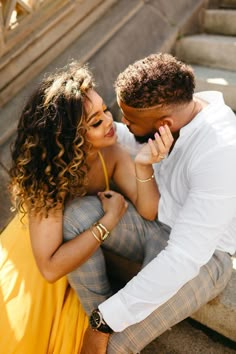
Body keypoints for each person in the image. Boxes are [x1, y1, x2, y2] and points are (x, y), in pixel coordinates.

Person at [62, 53, 236, 354]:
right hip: (154, 223)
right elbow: (130, 139)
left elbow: (183, 257)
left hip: (205, 257)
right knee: (76, 217)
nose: (121, 123)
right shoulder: (173, 116)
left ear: (164, 123)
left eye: (129, 119)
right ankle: (97, 311)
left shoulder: (220, 152)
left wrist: (106, 322)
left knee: (112, 346)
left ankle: (103, 325)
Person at [3, 60, 172, 352]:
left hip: (80, 258)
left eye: (105, 110)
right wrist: (109, 220)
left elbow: (148, 211)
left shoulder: (112, 154)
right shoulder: (49, 178)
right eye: (96, 122)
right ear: (70, 139)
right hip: (39, 267)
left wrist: (144, 166)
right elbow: (50, 269)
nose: (110, 122)